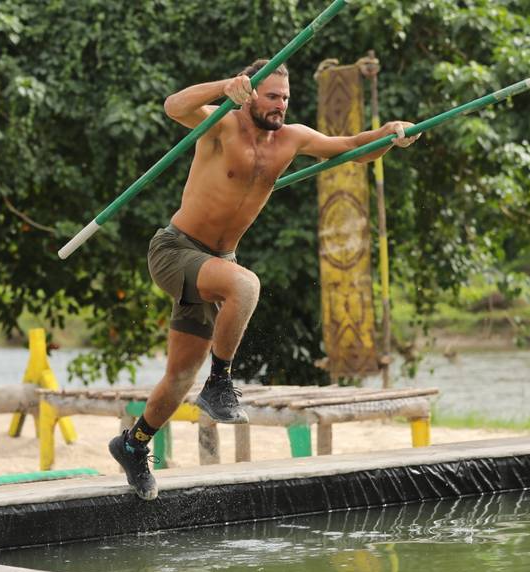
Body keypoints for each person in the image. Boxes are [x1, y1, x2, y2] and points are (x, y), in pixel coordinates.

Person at [109, 59, 421, 500]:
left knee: (179, 377)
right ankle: (220, 383)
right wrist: (224, 86)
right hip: (177, 250)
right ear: (250, 93)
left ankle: (133, 444)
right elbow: (174, 106)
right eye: (272, 96)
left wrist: (389, 134)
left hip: (218, 263)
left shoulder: (292, 138)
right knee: (246, 285)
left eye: (285, 98)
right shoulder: (221, 125)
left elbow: (353, 147)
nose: (281, 105)